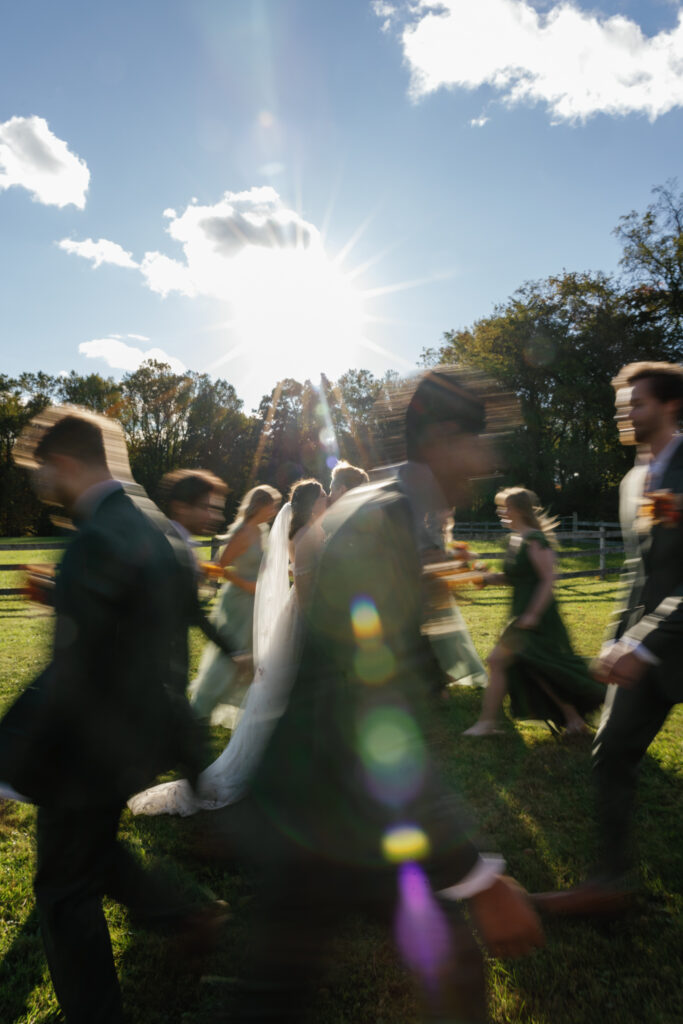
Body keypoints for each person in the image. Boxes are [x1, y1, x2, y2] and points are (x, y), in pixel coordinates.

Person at [229, 370, 543, 1023]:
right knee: (282, 992)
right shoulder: (383, 517)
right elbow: (374, 710)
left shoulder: (380, 504)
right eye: (480, 442)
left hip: (325, 795)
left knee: (294, 986)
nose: (487, 461)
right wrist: (478, 875)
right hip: (328, 804)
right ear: (443, 437)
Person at [0, 411, 222, 1024]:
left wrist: (8, 767)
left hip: (88, 743)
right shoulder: (153, 527)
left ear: (66, 461)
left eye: (40, 470)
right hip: (139, 735)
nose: (41, 485)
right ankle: (185, 915)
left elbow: (70, 674)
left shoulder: (96, 539)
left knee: (64, 893)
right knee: (90, 852)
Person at [534, 361, 683, 916]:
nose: (626, 413)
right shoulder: (629, 482)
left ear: (670, 406)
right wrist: (615, 640)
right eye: (623, 404)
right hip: (648, 647)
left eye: (637, 403)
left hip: (664, 640)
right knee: (612, 752)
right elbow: (636, 572)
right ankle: (611, 885)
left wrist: (643, 643)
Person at [128, 478, 328, 817]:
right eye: (206, 506)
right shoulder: (293, 535)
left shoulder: (281, 533)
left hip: (261, 610)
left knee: (271, 682)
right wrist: (244, 585)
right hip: (241, 606)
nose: (213, 515)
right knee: (238, 682)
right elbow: (221, 568)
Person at [463, 487, 605, 737]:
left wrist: (533, 615)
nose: (500, 512)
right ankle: (573, 719)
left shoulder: (535, 540)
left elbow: (548, 578)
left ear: (518, 509)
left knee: (499, 661)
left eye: (504, 507)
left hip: (536, 618)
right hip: (522, 615)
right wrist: (485, 578)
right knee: (537, 667)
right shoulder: (516, 539)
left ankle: (487, 723)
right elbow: (513, 577)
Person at [189, 484, 281, 724]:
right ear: (260, 505)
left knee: (250, 654)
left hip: (254, 600)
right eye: (272, 506)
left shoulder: (261, 531)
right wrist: (245, 584)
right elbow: (221, 567)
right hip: (239, 600)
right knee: (232, 652)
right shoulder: (242, 532)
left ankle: (249, 704)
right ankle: (203, 702)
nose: (274, 511)